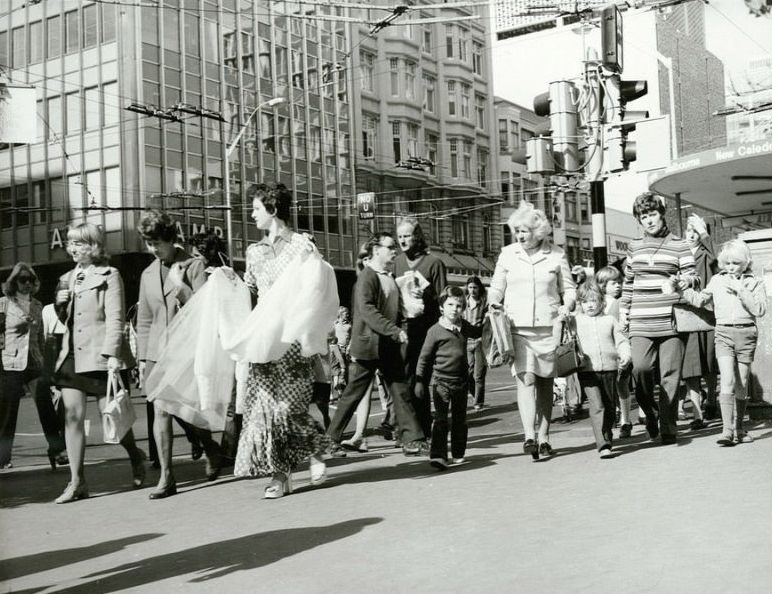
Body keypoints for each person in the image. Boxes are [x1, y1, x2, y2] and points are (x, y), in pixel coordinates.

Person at [234, 183, 337, 499]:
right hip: (264, 341)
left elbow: (316, 290)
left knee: (289, 407)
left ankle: (317, 449)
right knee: (267, 409)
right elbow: (250, 293)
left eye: (255, 208)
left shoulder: (301, 246)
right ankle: (281, 477)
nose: (251, 214)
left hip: (292, 341)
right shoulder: (254, 252)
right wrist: (226, 280)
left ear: (273, 210)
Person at [52, 223, 145, 503]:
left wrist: (114, 355)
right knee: (72, 417)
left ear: (93, 246)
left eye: (79, 243)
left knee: (113, 417)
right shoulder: (66, 278)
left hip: (101, 355)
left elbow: (116, 318)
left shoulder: (110, 275)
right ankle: (77, 481)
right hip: (71, 355)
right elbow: (65, 321)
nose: (72, 247)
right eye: (70, 242)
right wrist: (59, 304)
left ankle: (135, 455)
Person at [136, 210, 223, 499]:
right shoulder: (147, 274)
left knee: (186, 410)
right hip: (157, 353)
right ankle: (166, 476)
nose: (152, 249)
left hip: (187, 349)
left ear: (171, 239)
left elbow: (205, 308)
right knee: (161, 408)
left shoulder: (194, 265)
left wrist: (181, 286)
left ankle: (210, 447)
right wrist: (142, 360)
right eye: (148, 243)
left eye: (156, 243)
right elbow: (145, 320)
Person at [488, 201, 576, 460]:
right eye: (517, 231)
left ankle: (545, 435)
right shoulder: (508, 254)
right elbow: (496, 286)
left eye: (524, 231)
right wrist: (494, 300)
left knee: (546, 382)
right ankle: (529, 435)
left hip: (549, 326)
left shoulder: (557, 254)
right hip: (517, 327)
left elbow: (568, 288)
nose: (520, 236)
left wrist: (567, 305)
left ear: (538, 231)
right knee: (525, 379)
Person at [328, 232, 427, 458]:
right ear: (376, 250)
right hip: (369, 346)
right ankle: (330, 439)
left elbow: (398, 308)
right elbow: (368, 310)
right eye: (390, 247)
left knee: (400, 391)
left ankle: (412, 440)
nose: (395, 251)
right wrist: (394, 330)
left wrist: (412, 302)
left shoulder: (388, 276)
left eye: (395, 247)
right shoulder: (368, 276)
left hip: (386, 346)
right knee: (354, 393)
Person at [619, 192, 697, 446]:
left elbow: (692, 275)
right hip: (641, 320)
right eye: (644, 216)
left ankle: (668, 427)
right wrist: (623, 310)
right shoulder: (634, 246)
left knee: (671, 375)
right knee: (640, 369)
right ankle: (650, 413)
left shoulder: (680, 245)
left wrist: (684, 280)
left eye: (653, 214)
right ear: (639, 220)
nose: (649, 220)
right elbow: (628, 282)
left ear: (662, 215)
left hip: (672, 319)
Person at [679, 239, 767, 446]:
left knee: (742, 382)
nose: (730, 267)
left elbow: (759, 310)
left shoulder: (754, 282)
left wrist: (741, 290)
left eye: (735, 263)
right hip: (723, 333)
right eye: (726, 263)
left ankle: (739, 429)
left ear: (745, 262)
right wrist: (681, 290)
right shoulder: (718, 280)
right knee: (726, 380)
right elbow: (701, 300)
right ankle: (727, 432)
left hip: (746, 333)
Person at [0, 263, 66, 470]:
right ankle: (3, 457)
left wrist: (49, 368)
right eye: (23, 279)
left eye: (31, 279)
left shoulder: (38, 305)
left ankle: (57, 450)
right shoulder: (3, 304)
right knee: (8, 411)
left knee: (45, 404)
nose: (27, 283)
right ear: (14, 282)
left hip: (35, 362)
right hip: (10, 362)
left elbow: (42, 339)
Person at [416, 286, 482, 470]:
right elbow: (424, 357)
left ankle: (458, 453)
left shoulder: (464, 326)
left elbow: (477, 332)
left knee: (460, 420)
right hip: (441, 382)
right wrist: (419, 380)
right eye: (450, 304)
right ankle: (438, 455)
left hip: (461, 382)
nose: (455, 309)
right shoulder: (435, 331)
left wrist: (491, 320)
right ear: (441, 308)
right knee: (441, 419)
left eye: (459, 305)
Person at [394, 216, 447, 439]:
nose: (403, 240)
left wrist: (425, 295)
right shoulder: (396, 262)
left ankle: (425, 429)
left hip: (426, 331)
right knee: (404, 381)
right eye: (400, 237)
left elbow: (444, 298)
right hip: (404, 331)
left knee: (421, 379)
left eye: (407, 235)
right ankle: (409, 430)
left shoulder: (433, 263)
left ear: (417, 236)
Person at [570, 283, 631, 458]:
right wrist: (562, 316)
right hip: (587, 370)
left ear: (601, 302)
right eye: (585, 301)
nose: (589, 305)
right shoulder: (575, 320)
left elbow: (620, 340)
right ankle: (603, 443)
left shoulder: (610, 320)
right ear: (580, 304)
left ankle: (608, 435)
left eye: (593, 300)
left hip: (610, 369)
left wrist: (625, 354)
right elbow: (562, 333)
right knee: (597, 405)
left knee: (610, 406)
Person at [679, 214, 719, 427]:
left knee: (710, 362)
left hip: (708, 313)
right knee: (690, 366)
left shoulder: (707, 253)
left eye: (696, 231)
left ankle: (711, 399)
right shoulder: (679, 254)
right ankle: (696, 413)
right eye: (689, 230)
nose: (691, 235)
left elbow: (719, 263)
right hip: (686, 315)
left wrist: (704, 233)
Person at [595, 265, 634, 438]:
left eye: (619, 282)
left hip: (619, 347)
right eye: (613, 283)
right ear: (602, 285)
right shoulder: (596, 303)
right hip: (603, 349)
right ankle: (615, 417)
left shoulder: (622, 302)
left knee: (621, 384)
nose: (618, 285)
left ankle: (626, 420)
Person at [464, 276, 488, 411]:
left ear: (479, 289)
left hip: (480, 342)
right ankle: (474, 394)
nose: (472, 290)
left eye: (475, 287)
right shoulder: (463, 303)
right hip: (466, 341)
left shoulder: (483, 304)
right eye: (470, 287)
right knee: (467, 373)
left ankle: (479, 401)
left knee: (479, 375)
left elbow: (487, 323)